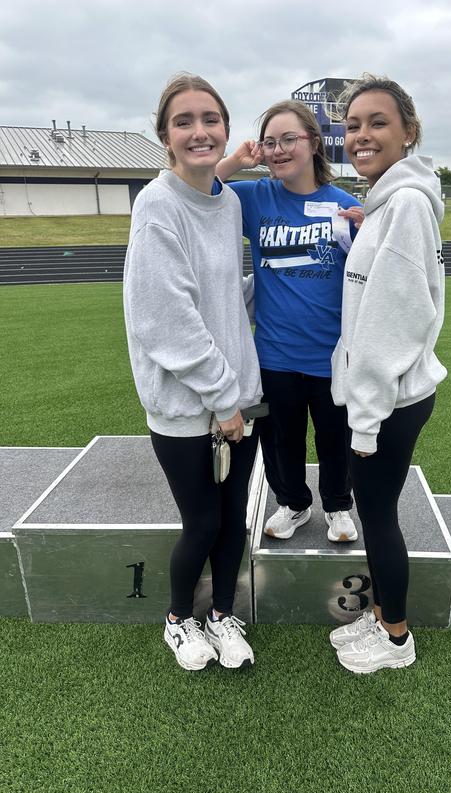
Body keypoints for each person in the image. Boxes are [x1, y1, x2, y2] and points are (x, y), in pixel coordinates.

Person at [123, 73, 262, 672]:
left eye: (211, 118)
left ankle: (222, 612)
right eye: (185, 121)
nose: (199, 130)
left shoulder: (225, 201)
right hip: (189, 406)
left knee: (234, 519)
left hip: (240, 398)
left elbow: (222, 293)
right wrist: (223, 398)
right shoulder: (155, 208)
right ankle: (180, 619)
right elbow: (167, 321)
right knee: (202, 520)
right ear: (165, 136)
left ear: (226, 127)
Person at [328, 74, 447, 674]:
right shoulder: (387, 204)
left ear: (408, 133)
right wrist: (361, 228)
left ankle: (395, 638)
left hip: (388, 400)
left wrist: (366, 420)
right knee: (375, 514)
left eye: (378, 123)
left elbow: (391, 324)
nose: (362, 135)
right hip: (389, 392)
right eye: (352, 125)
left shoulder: (403, 205)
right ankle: (381, 620)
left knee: (378, 519)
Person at [216, 100, 362, 544]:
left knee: (336, 440)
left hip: (332, 355)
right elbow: (198, 188)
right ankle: (294, 504)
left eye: (289, 139)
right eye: (270, 142)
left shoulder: (346, 206)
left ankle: (337, 506)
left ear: (314, 143)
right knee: (281, 442)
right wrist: (235, 162)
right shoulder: (255, 198)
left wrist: (364, 231)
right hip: (275, 355)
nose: (279, 150)